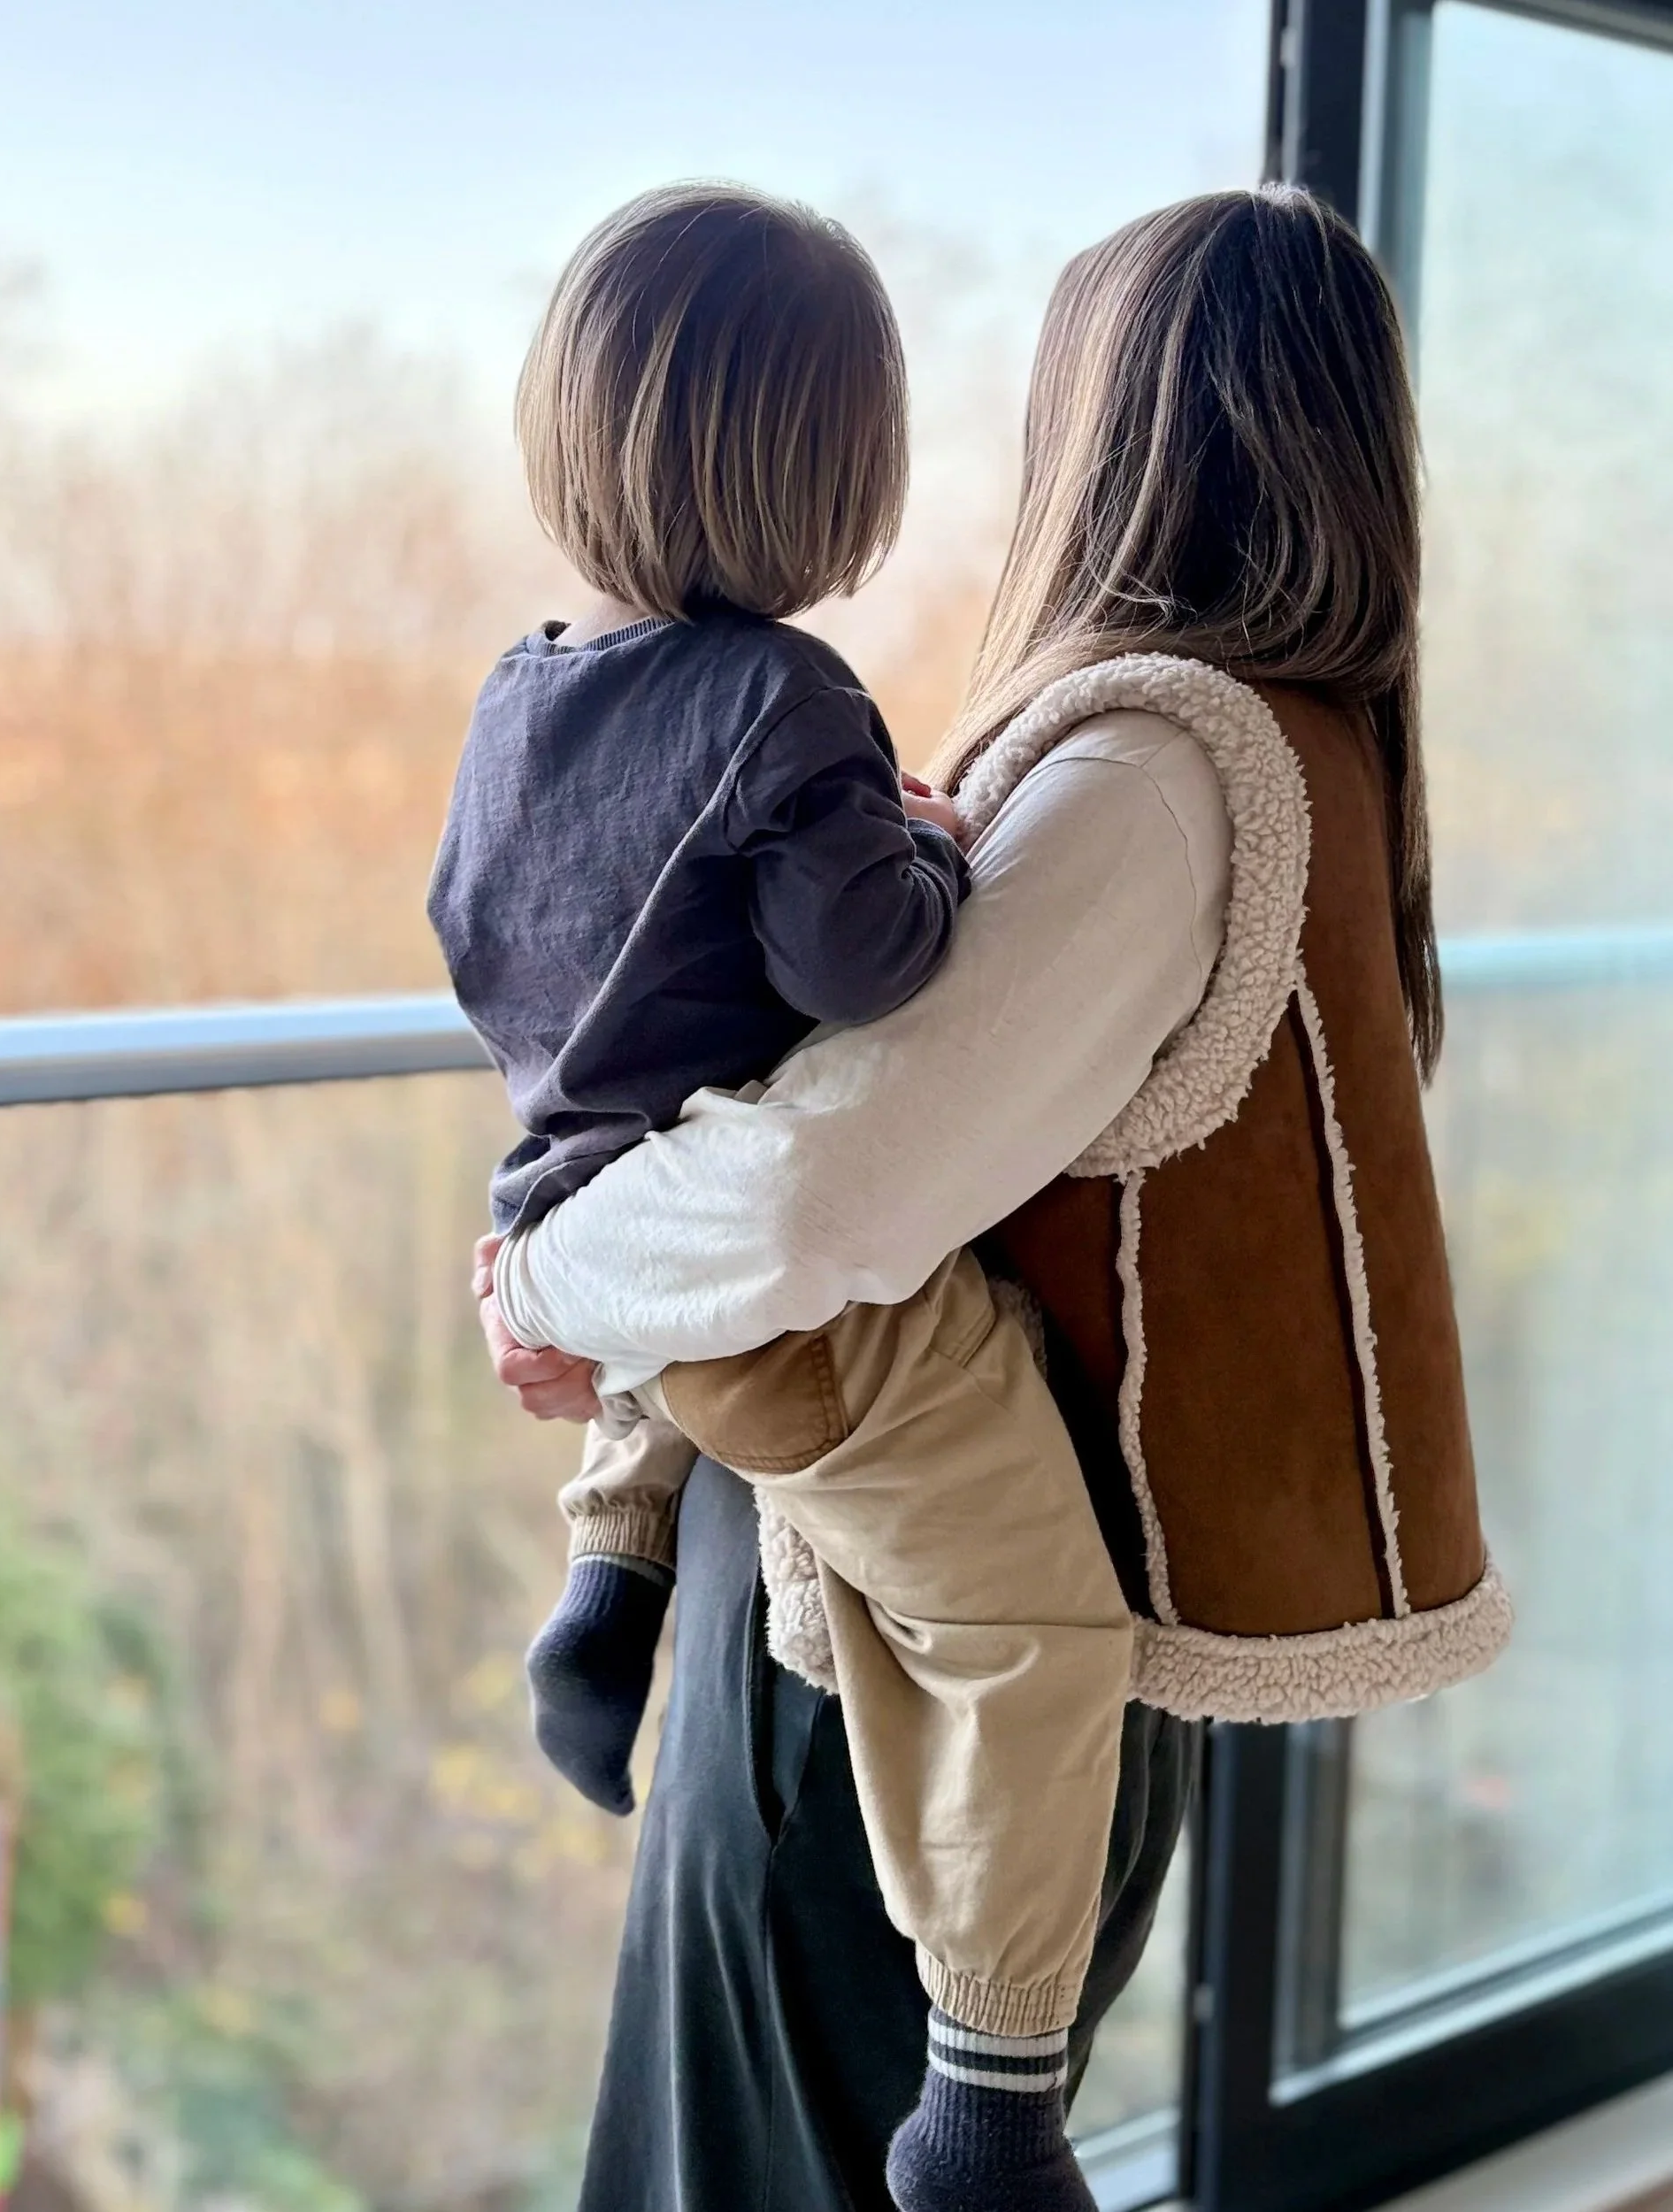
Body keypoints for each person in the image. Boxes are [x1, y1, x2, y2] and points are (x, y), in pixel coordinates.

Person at [478, 185, 1508, 2212]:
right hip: (929, 1626)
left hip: (875, 1658)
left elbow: (824, 1188)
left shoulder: (1151, 775)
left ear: (1105, 430)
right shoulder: (1298, 752)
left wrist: (549, 1270)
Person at [429, 181, 1149, 2212]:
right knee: (1030, 1630)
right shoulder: (790, 701)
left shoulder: (519, 694)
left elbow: (511, 935)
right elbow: (865, 970)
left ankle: (611, 1574)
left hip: (579, 1179)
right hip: (790, 1330)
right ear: (841, 468)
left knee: (658, 1207)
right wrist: (924, 853)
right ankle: (989, 2098)